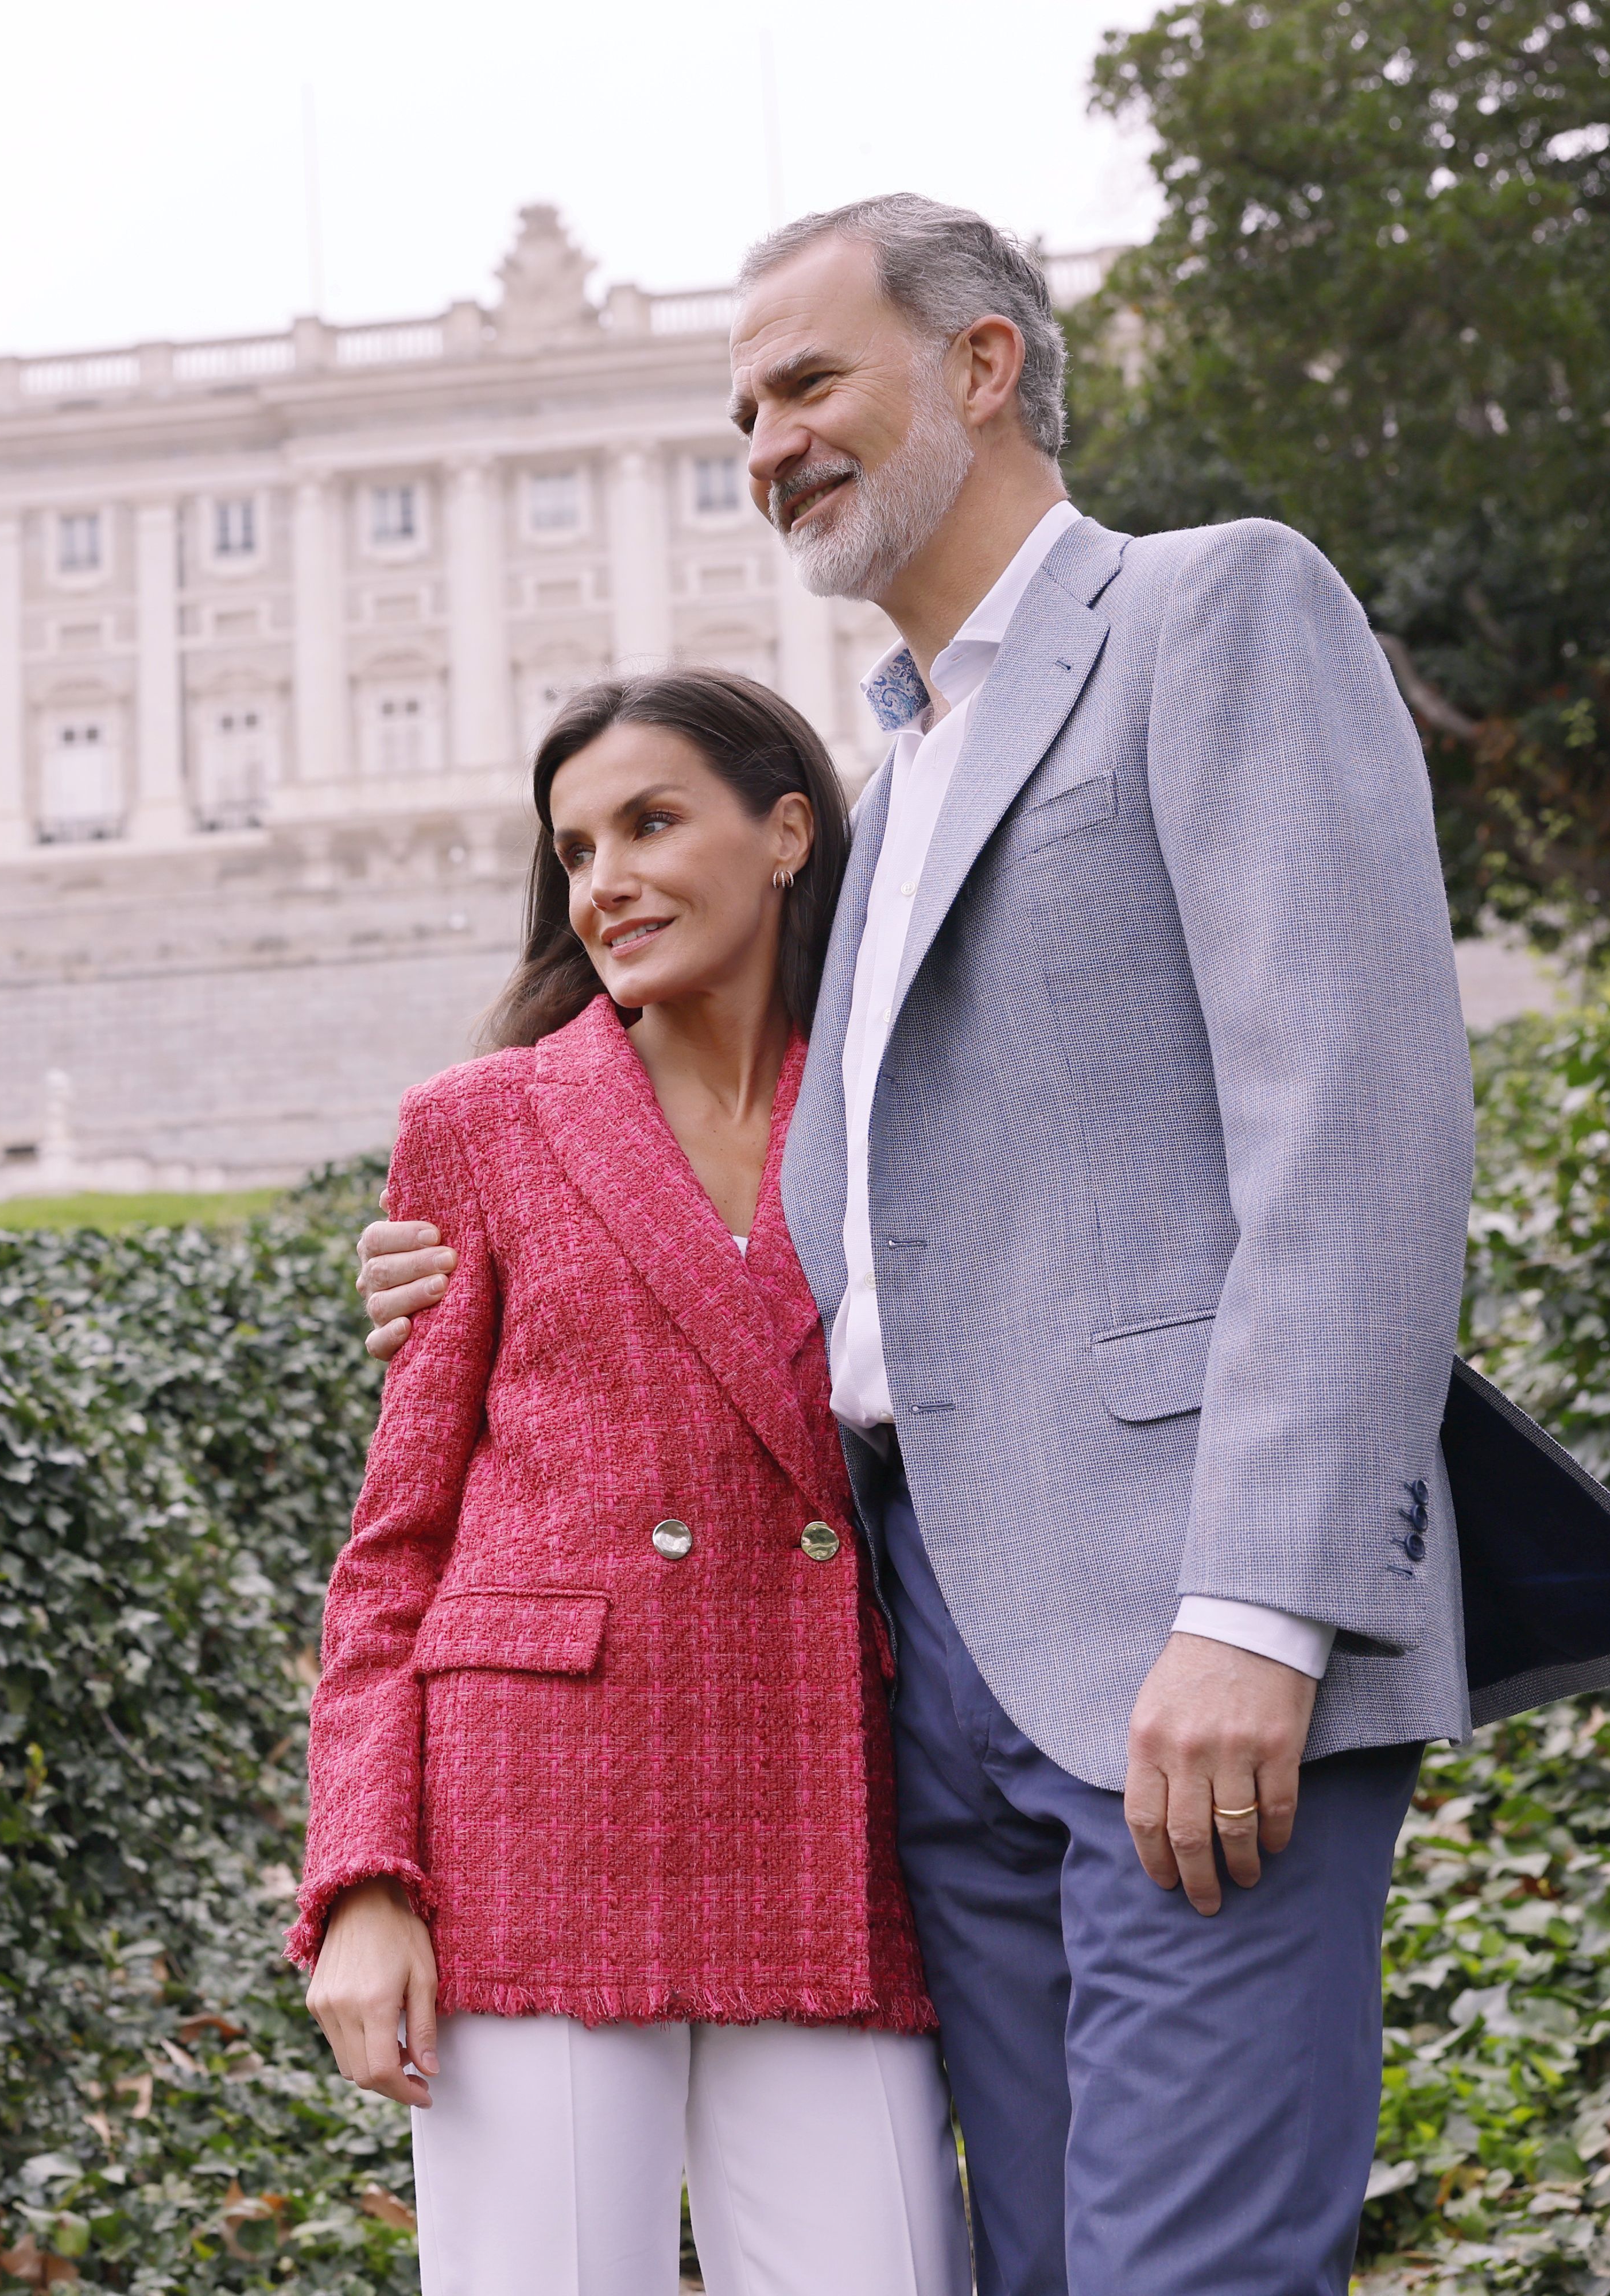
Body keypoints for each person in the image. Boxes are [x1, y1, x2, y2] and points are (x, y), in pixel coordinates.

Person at [358, 194, 1479, 2295]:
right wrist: (470, 1265)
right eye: (743, 409)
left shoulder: (1212, 611)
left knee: (1191, 2273)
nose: (767, 440)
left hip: (1174, 1613)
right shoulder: (896, 772)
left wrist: (1259, 1602)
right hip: (924, 1662)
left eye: (807, 385)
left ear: (980, 367)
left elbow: (1358, 1129)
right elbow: (856, 1218)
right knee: (1041, 2265)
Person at [297, 667, 968, 2296]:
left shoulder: (909, 1101)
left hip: (826, 1802)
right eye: (577, 846)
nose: (605, 878)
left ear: (789, 831)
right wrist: (364, 1880)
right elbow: (397, 1548)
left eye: (653, 822)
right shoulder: (481, 1128)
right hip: (534, 1815)